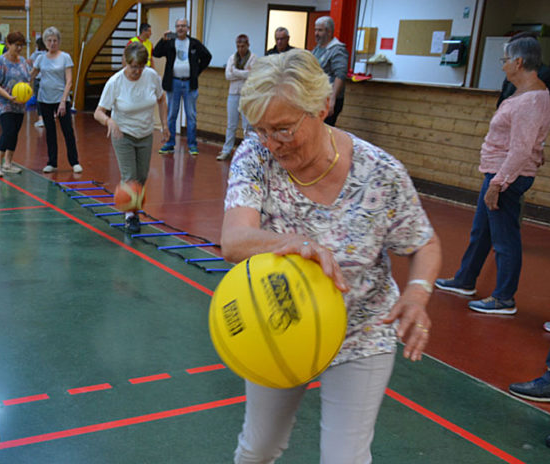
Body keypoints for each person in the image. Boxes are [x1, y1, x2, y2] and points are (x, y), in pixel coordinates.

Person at [222, 49, 441, 463]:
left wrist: (416, 293)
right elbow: (234, 240)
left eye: (283, 129)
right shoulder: (255, 157)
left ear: (323, 107)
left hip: (360, 329)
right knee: (259, 447)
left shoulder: (380, 173)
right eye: (261, 129)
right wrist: (293, 243)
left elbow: (423, 242)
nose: (272, 143)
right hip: (278, 321)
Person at [435, 36, 550, 315]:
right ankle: (465, 279)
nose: (503, 67)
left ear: (519, 62)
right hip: (498, 172)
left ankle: (503, 298)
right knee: (482, 232)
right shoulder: (522, 92)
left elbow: (521, 150)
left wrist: (498, 183)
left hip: (505, 176)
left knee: (504, 239)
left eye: (505, 60)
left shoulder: (532, 99)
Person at [94, 43, 168, 233]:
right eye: (133, 66)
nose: (137, 71)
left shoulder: (151, 77)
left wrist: (165, 125)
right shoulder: (115, 82)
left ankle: (132, 208)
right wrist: (109, 121)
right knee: (130, 177)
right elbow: (98, 112)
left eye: (140, 67)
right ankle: (131, 216)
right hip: (122, 133)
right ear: (126, 62)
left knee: (142, 176)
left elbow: (161, 99)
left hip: (145, 133)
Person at [152, 18, 212, 156]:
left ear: (188, 28)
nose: (180, 29)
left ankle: (192, 145)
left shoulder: (194, 43)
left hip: (190, 84)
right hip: (174, 83)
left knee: (191, 115)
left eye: (183, 26)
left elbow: (207, 56)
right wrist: (162, 39)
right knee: (172, 114)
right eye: (178, 26)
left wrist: (196, 72)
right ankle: (169, 143)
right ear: (175, 28)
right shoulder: (170, 42)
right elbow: (156, 53)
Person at [31, 26, 82, 173]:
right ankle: (52, 162)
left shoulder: (65, 57)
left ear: (59, 41)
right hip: (44, 99)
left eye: (55, 40)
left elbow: (69, 81)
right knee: (50, 132)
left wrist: (63, 101)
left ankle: (74, 162)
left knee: (68, 132)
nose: (52, 43)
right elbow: (31, 75)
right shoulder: (40, 58)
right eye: (49, 40)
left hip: (61, 99)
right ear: (45, 43)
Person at [0, 32, 31, 177]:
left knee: (15, 132)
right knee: (8, 130)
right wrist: (8, 96)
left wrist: (26, 93)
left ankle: (8, 163)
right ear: (8, 44)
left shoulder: (23, 61)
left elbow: (27, 80)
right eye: (16, 45)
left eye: (21, 45)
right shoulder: (1, 61)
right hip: (3, 101)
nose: (19, 48)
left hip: (18, 103)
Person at [219, 34, 256, 161]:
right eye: (238, 46)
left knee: (247, 125)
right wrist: (243, 73)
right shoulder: (232, 58)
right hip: (233, 94)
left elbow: (252, 75)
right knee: (231, 124)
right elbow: (227, 76)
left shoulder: (253, 58)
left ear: (248, 45)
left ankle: (248, 153)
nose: (240, 49)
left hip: (247, 95)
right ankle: (226, 150)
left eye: (243, 46)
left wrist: (235, 72)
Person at [497, 32, 550, 108]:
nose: (503, 67)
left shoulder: (545, 75)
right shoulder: (511, 77)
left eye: (507, 58)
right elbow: (500, 104)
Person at [312, 16, 348, 126]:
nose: (316, 33)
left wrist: (332, 99)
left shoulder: (337, 50)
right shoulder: (317, 49)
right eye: (315, 30)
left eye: (320, 30)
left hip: (328, 99)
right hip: (316, 98)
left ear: (329, 32)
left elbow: (340, 75)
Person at [29, 37, 47, 128]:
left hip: (38, 79)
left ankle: (41, 118)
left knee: (39, 99)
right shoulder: (48, 54)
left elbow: (29, 62)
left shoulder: (35, 55)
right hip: (47, 80)